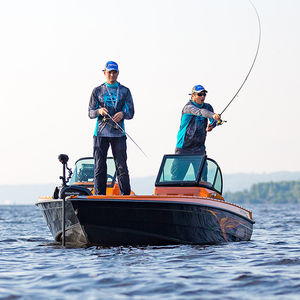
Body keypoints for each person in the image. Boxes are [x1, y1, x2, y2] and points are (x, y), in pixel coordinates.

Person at [88, 61, 134, 195]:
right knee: (100, 166)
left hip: (118, 134)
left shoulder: (125, 91)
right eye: (109, 72)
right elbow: (90, 113)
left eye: (114, 72)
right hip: (100, 134)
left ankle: (125, 195)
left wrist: (123, 114)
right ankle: (99, 195)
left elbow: (131, 112)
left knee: (121, 166)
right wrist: (99, 111)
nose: (112, 75)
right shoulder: (97, 91)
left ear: (118, 73)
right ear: (104, 73)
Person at [171, 84, 221, 180]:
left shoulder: (208, 107)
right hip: (183, 149)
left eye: (204, 94)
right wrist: (213, 115)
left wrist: (212, 125)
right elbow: (200, 112)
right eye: (200, 94)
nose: (202, 97)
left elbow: (215, 121)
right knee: (177, 179)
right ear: (193, 96)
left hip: (199, 149)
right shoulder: (188, 108)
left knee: (202, 180)